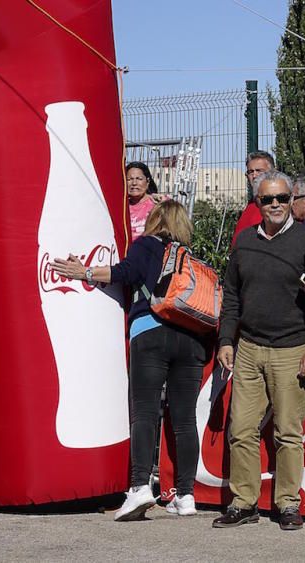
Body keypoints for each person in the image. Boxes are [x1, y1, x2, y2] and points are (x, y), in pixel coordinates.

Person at [52, 200, 211, 522]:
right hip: (191, 339)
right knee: (183, 421)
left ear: (155, 220)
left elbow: (123, 273)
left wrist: (82, 271)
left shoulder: (147, 246)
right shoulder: (191, 258)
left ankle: (140, 487)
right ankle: (186, 495)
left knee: (144, 413)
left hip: (151, 332)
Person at [212, 171, 305, 531]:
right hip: (248, 347)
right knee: (241, 429)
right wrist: (226, 339)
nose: (275, 205)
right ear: (256, 203)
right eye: (266, 199)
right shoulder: (244, 240)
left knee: (288, 433)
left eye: (281, 198)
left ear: (293, 199)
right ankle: (243, 502)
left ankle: (288, 504)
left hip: (293, 348)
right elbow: (231, 294)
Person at [232, 151, 276, 246]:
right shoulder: (251, 205)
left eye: (259, 170)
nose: (254, 175)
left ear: (273, 173)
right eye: (250, 172)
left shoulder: (279, 205)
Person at [126, 161, 159, 242]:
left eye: (139, 179)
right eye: (129, 179)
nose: (134, 183)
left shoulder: (158, 204)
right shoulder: (121, 207)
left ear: (147, 182)